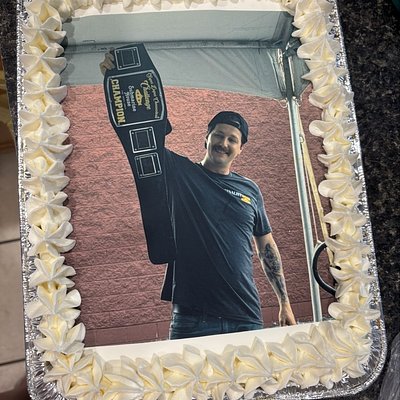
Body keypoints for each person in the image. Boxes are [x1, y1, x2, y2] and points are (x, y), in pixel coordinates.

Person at [100, 53, 296, 340]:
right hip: (193, 319)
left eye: (232, 139)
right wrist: (119, 81)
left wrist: (284, 302)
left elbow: (266, 247)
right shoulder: (179, 172)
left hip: (246, 316)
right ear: (207, 137)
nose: (223, 143)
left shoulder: (251, 190)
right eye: (218, 135)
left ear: (240, 148)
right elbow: (141, 134)